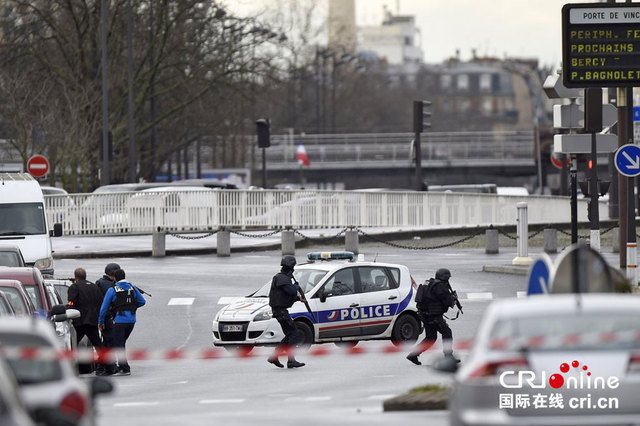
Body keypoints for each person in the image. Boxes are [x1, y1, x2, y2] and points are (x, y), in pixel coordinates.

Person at [406, 268, 460, 365]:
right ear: (446, 277)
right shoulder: (440, 286)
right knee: (447, 332)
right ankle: (448, 356)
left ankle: (413, 355)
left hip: (424, 314)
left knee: (431, 337)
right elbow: (448, 301)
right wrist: (454, 299)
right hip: (433, 316)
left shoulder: (429, 283)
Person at [98, 268, 145, 376]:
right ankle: (121, 365)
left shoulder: (112, 290)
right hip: (132, 320)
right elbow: (142, 301)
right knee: (121, 343)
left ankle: (125, 368)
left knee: (118, 344)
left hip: (120, 320)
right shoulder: (132, 287)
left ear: (114, 277)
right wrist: (131, 307)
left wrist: (101, 321)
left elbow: (104, 308)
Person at [267, 255, 305, 369]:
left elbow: (284, 296)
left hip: (280, 311)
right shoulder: (282, 278)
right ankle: (290, 360)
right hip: (281, 312)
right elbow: (290, 290)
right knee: (294, 333)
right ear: (291, 268)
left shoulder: (281, 278)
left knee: (290, 334)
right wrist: (296, 286)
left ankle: (276, 356)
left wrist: (299, 299)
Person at [67, 267, 107, 374]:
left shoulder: (74, 287)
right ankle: (105, 364)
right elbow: (101, 302)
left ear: (76, 278)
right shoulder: (94, 287)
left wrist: (68, 309)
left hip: (79, 321)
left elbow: (71, 303)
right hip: (93, 320)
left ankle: (67, 365)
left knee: (72, 344)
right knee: (98, 344)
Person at [95, 262, 120, 375]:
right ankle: (104, 367)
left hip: (101, 316)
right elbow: (112, 303)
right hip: (107, 317)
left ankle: (105, 366)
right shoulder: (110, 286)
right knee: (109, 342)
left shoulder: (99, 282)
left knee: (106, 342)